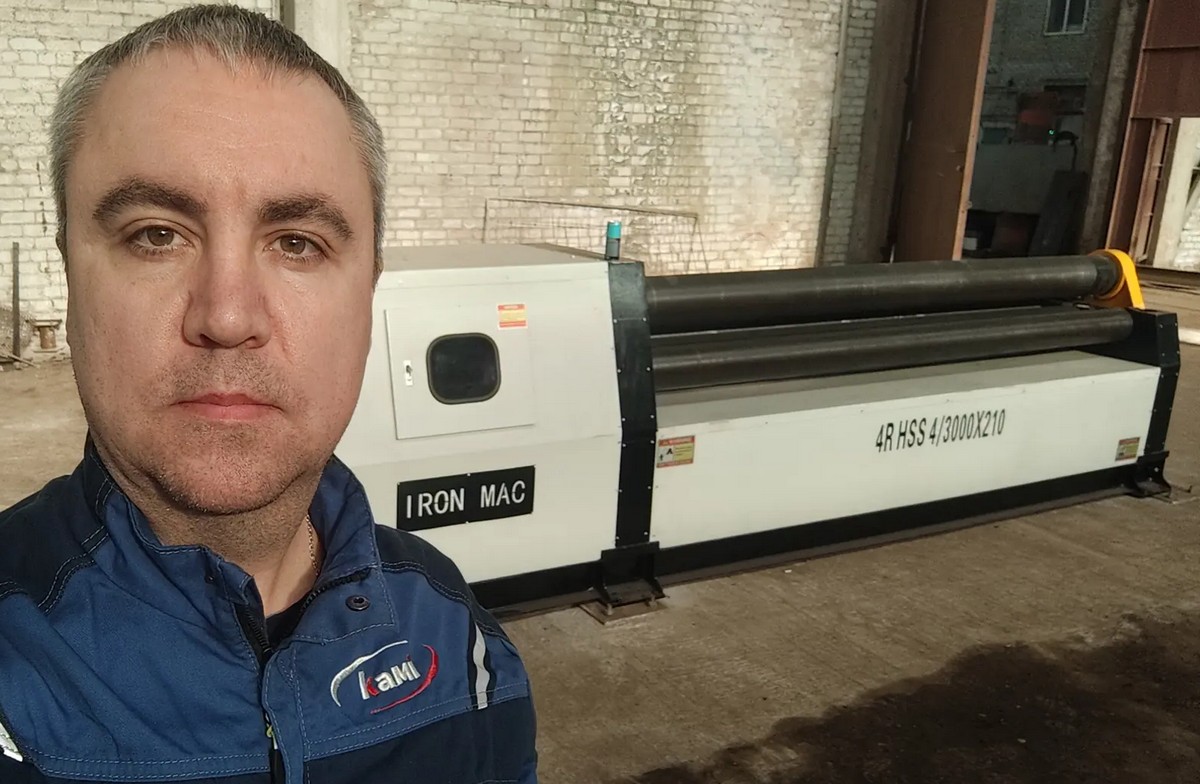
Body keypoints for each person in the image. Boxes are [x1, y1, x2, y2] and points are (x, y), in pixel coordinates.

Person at [0, 5, 538, 782]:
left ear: (369, 294)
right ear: (69, 275)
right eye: (156, 234)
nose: (226, 317)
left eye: (297, 243)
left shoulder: (458, 640)